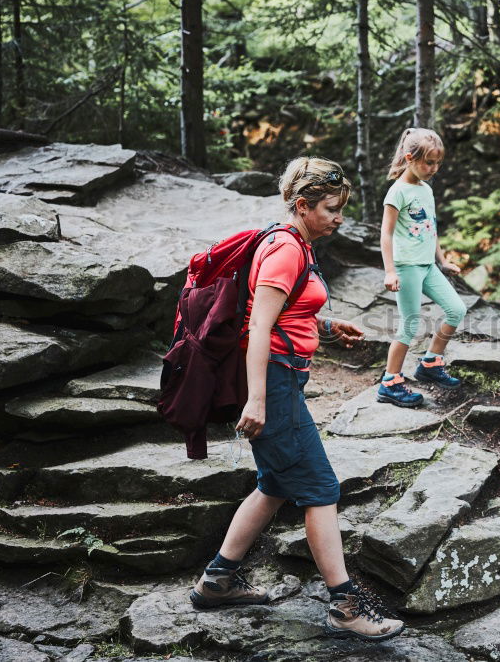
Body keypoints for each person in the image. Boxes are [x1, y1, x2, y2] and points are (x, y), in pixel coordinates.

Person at [189, 157, 405, 643]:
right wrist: (258, 401)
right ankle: (345, 607)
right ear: (302, 205)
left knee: (274, 484)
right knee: (321, 488)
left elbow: (284, 313)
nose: (339, 218)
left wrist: (326, 325)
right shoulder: (285, 250)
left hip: (283, 378)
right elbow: (259, 326)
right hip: (274, 383)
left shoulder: (294, 243)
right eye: (331, 208)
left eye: (342, 208)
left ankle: (217, 581)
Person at [377, 128, 468, 407]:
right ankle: (390, 382)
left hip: (428, 265)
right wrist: (390, 270)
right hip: (406, 267)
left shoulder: (426, 190)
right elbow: (386, 234)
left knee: (456, 310)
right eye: (428, 162)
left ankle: (430, 363)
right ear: (409, 158)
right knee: (410, 324)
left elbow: (431, 228)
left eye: (437, 163)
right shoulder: (397, 192)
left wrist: (442, 261)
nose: (433, 168)